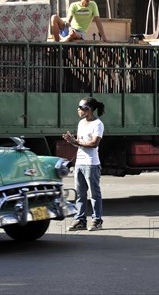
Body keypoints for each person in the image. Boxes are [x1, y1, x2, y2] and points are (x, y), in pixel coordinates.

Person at [63, 96, 105, 231]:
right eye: (79, 107)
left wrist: (75, 142)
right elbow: (80, 143)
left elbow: (93, 143)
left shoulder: (98, 124)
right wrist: (72, 141)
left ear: (89, 110)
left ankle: (97, 220)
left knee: (94, 193)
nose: (78, 110)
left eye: (81, 108)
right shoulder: (81, 123)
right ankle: (80, 220)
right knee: (80, 194)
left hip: (91, 164)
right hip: (79, 163)